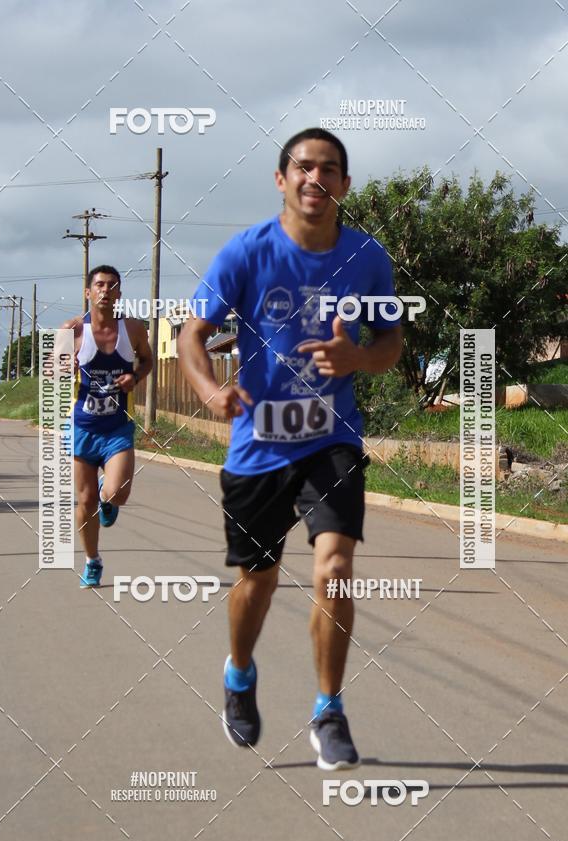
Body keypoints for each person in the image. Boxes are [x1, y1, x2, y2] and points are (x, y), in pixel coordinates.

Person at [178, 128, 403, 770]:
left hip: (331, 439)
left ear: (344, 185)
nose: (316, 179)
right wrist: (206, 389)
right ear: (282, 179)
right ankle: (240, 673)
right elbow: (194, 334)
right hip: (259, 447)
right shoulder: (246, 253)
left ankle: (328, 708)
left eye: (330, 170)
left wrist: (356, 355)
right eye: (304, 167)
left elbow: (390, 345)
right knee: (259, 579)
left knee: (334, 570)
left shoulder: (366, 258)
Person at [61, 266, 152, 588]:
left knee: (119, 494)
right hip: (82, 428)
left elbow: (148, 360)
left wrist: (135, 377)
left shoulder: (134, 329)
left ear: (119, 293)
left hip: (116, 428)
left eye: (112, 285)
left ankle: (107, 497)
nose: (105, 290)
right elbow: (51, 374)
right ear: (88, 292)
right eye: (99, 285)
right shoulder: (72, 330)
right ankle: (92, 560)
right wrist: (63, 365)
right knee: (84, 503)